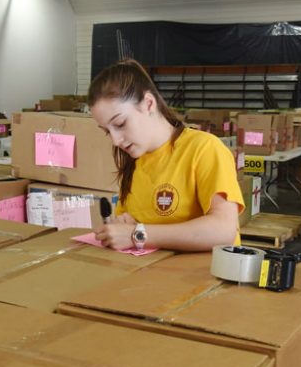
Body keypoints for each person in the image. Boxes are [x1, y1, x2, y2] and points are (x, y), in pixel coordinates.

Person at [88, 59, 244, 252]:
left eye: (120, 124)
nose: (115, 140)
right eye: (107, 131)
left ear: (148, 103)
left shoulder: (204, 149)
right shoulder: (134, 163)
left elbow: (223, 231)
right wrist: (125, 224)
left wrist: (137, 234)